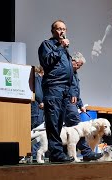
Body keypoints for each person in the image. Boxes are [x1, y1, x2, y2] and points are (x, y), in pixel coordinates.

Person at [38, 19, 76, 163]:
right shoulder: (47, 45)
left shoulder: (65, 50)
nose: (62, 31)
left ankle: (56, 154)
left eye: (64, 29)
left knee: (59, 123)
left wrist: (72, 91)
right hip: (53, 87)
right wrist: (60, 46)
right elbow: (46, 62)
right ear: (53, 31)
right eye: (59, 29)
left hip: (65, 90)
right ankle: (56, 153)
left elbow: (70, 72)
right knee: (53, 122)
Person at [64, 52, 103, 161]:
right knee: (78, 129)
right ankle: (87, 153)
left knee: (70, 131)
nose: (79, 67)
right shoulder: (66, 70)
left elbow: (76, 91)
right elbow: (67, 87)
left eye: (80, 66)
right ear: (73, 61)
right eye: (78, 65)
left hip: (72, 103)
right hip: (67, 103)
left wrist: (80, 104)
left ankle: (67, 155)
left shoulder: (75, 73)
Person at [31, 65, 45, 160]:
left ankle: (36, 154)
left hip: (39, 110)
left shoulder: (40, 79)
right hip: (37, 110)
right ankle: (34, 155)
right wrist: (42, 101)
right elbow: (38, 93)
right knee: (36, 131)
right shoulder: (37, 79)